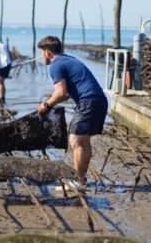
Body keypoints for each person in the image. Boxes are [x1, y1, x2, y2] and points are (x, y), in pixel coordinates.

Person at [37, 36, 108, 190]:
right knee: (82, 140)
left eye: (42, 52)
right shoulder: (68, 59)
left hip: (88, 101)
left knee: (77, 140)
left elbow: (61, 93)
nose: (42, 56)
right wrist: (52, 98)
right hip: (99, 100)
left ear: (48, 53)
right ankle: (81, 180)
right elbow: (68, 91)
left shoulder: (55, 65)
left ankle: (79, 181)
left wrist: (46, 105)